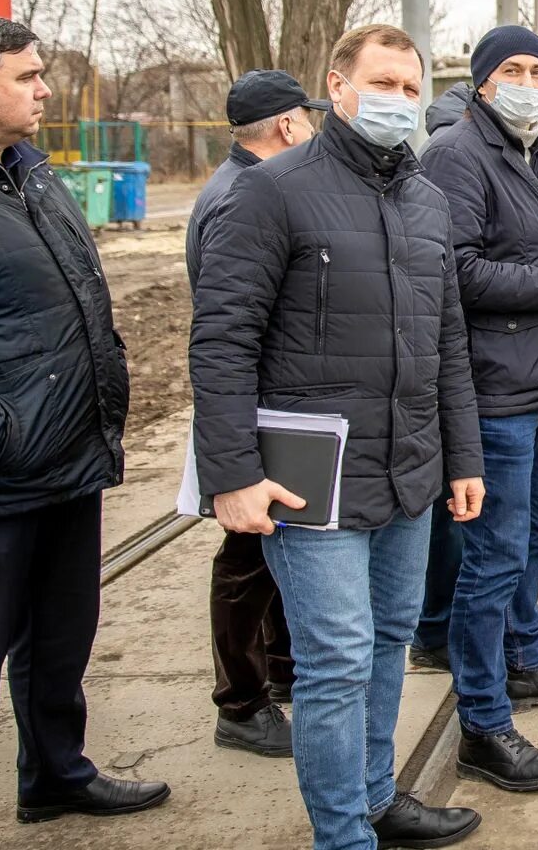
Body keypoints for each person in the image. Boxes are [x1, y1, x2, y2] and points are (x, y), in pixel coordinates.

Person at [190, 24, 485, 850]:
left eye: (409, 86)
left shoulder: (429, 202)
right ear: (337, 86)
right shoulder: (273, 191)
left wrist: (462, 457)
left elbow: (448, 342)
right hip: (308, 478)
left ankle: (375, 796)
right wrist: (232, 472)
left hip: (410, 471)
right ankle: (342, 835)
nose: (397, 100)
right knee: (336, 660)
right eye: (382, 83)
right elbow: (221, 339)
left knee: (390, 638)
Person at [0, 9, 170, 845]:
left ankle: (55, 774)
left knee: (61, 641)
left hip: (66, 460)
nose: (44, 89)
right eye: (26, 77)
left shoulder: (27, 169)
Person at [419, 25, 538, 793]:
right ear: (484, 80)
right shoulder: (458, 154)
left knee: (533, 532)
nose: (531, 80)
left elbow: (534, 251)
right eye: (516, 69)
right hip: (495, 391)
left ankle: (524, 658)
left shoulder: (537, 148)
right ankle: (483, 723)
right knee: (491, 557)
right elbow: (456, 272)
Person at [186, 69, 326, 759]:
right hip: (259, 408)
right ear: (289, 126)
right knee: (247, 555)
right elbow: (228, 329)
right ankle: (241, 703)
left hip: (268, 405)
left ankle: (277, 672)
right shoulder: (245, 195)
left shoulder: (238, 187)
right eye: (311, 117)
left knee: (269, 549)